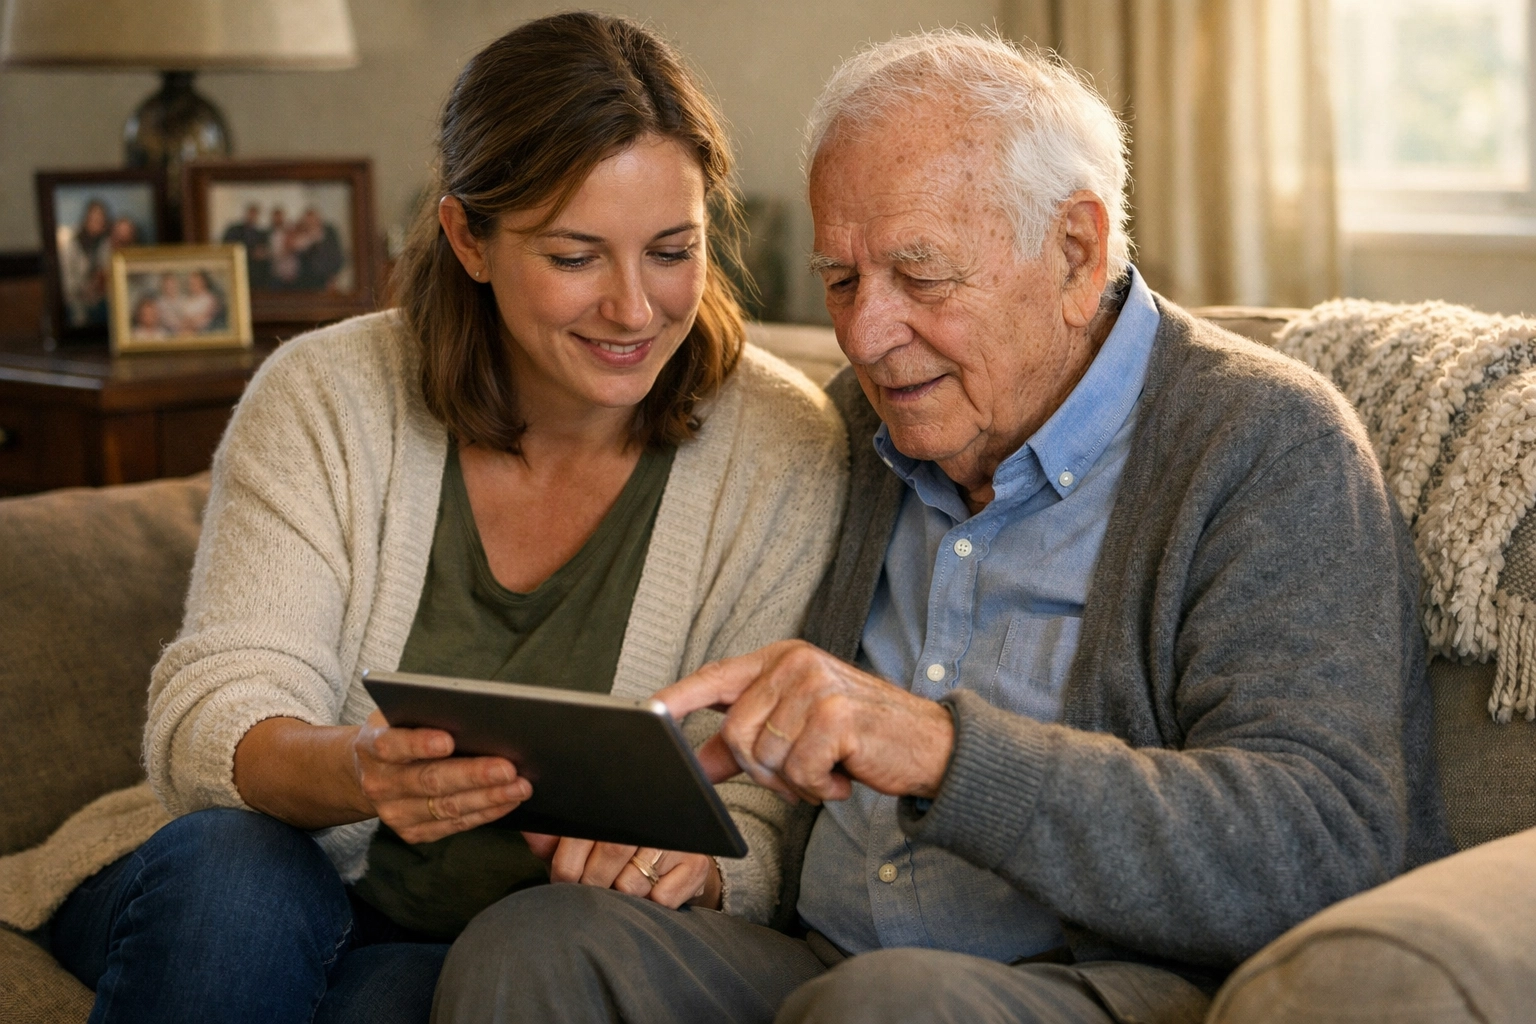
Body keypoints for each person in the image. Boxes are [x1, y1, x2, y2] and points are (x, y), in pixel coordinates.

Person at [433, 30, 1452, 1024]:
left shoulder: (1265, 445)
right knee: (533, 945)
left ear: (1075, 251)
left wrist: (939, 750)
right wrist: (691, 849)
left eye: (923, 278)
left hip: (1115, 983)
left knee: (888, 1003)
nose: (869, 337)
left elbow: (1321, 844)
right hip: (816, 962)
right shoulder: (845, 430)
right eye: (841, 280)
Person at [42, 12, 844, 1024]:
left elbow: (761, 802)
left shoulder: (783, 448)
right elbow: (217, 705)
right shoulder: (327, 395)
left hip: (489, 936)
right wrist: (360, 772)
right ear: (469, 236)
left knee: (418, 995)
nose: (635, 309)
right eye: (576, 256)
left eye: (672, 251)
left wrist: (696, 868)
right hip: (240, 873)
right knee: (239, 880)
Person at [56, 198, 112, 327]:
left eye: (100, 220)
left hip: (100, 300)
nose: (97, 223)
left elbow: (107, 271)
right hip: (75, 300)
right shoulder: (72, 245)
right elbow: (65, 279)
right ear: (86, 219)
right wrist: (83, 289)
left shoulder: (106, 244)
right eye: (94, 219)